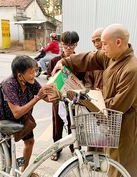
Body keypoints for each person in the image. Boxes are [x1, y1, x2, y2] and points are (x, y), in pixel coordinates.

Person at [51, 24, 137, 177]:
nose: (101, 47)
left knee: (126, 165)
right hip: (114, 120)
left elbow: (118, 105)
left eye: (104, 43)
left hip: (130, 124)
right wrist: (65, 62)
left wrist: (90, 99)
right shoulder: (110, 56)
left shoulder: (133, 69)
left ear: (118, 42)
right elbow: (90, 57)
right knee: (113, 162)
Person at [0, 55, 53, 177]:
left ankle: (25, 171)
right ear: (20, 75)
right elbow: (17, 112)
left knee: (29, 141)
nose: (34, 75)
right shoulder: (9, 84)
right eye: (31, 72)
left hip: (21, 119)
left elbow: (47, 97)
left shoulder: (31, 81)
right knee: (9, 160)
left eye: (35, 71)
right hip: (4, 121)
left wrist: (59, 95)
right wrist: (37, 98)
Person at [47, 31, 85, 161]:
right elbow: (49, 78)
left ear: (76, 45)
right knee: (57, 125)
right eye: (66, 45)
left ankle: (74, 148)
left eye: (72, 45)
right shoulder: (54, 61)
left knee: (73, 124)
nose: (69, 48)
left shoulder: (80, 60)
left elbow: (84, 79)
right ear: (61, 44)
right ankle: (57, 149)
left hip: (74, 99)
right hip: (58, 99)